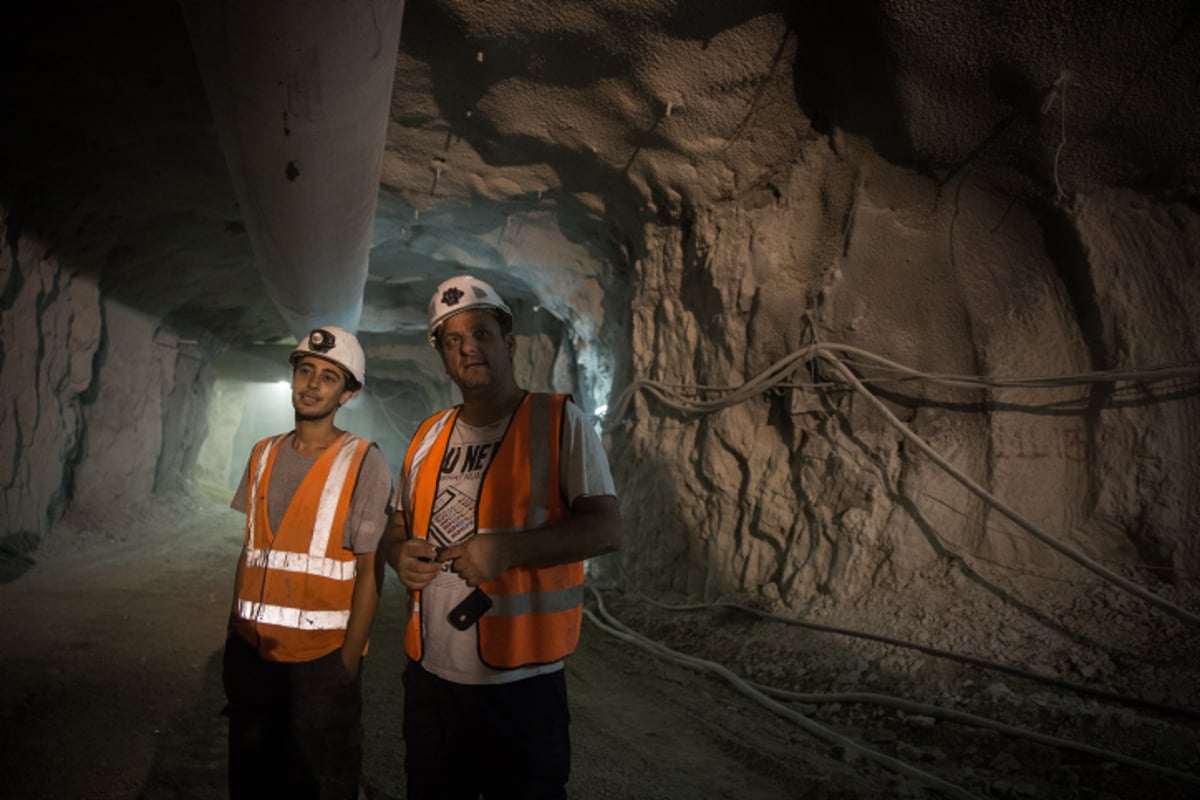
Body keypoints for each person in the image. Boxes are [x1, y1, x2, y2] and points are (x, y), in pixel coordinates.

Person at [379, 275, 621, 800]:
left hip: (522, 686)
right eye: (452, 341)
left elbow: (605, 528)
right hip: (431, 678)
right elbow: (397, 523)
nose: (468, 348)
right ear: (443, 357)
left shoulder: (559, 422)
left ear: (507, 344)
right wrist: (397, 551)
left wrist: (509, 549)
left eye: (481, 333)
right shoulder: (426, 437)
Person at [223, 325, 391, 800]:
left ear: (348, 393)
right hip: (252, 655)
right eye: (306, 371)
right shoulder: (262, 454)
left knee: (318, 783)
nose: (312, 384)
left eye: (329, 377)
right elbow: (251, 549)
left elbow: (369, 570)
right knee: (252, 781)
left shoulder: (363, 462)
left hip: (320, 664)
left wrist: (348, 662)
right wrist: (234, 631)